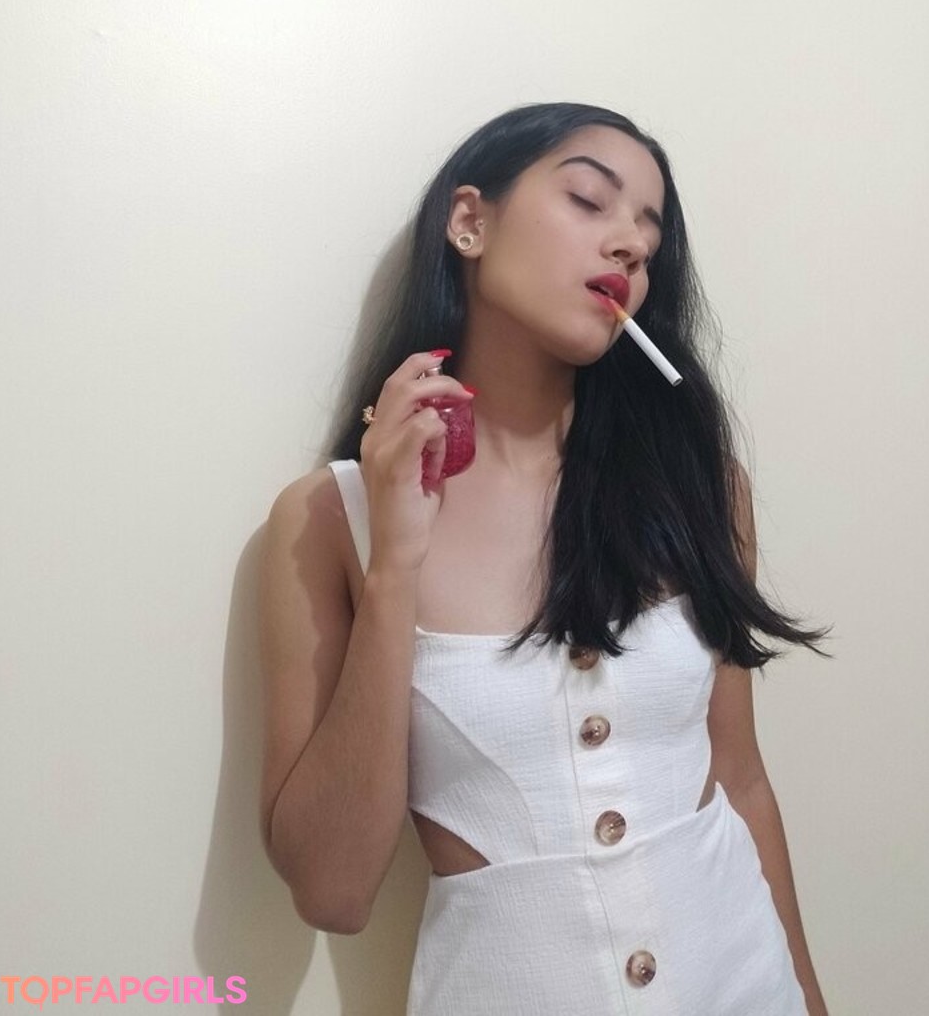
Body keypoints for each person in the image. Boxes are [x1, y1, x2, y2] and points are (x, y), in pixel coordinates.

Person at [258, 102, 830, 1015]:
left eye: (649, 234)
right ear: (470, 220)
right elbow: (334, 892)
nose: (630, 245)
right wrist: (397, 562)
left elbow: (742, 777)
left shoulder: (698, 485)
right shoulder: (330, 520)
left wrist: (808, 997)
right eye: (589, 200)